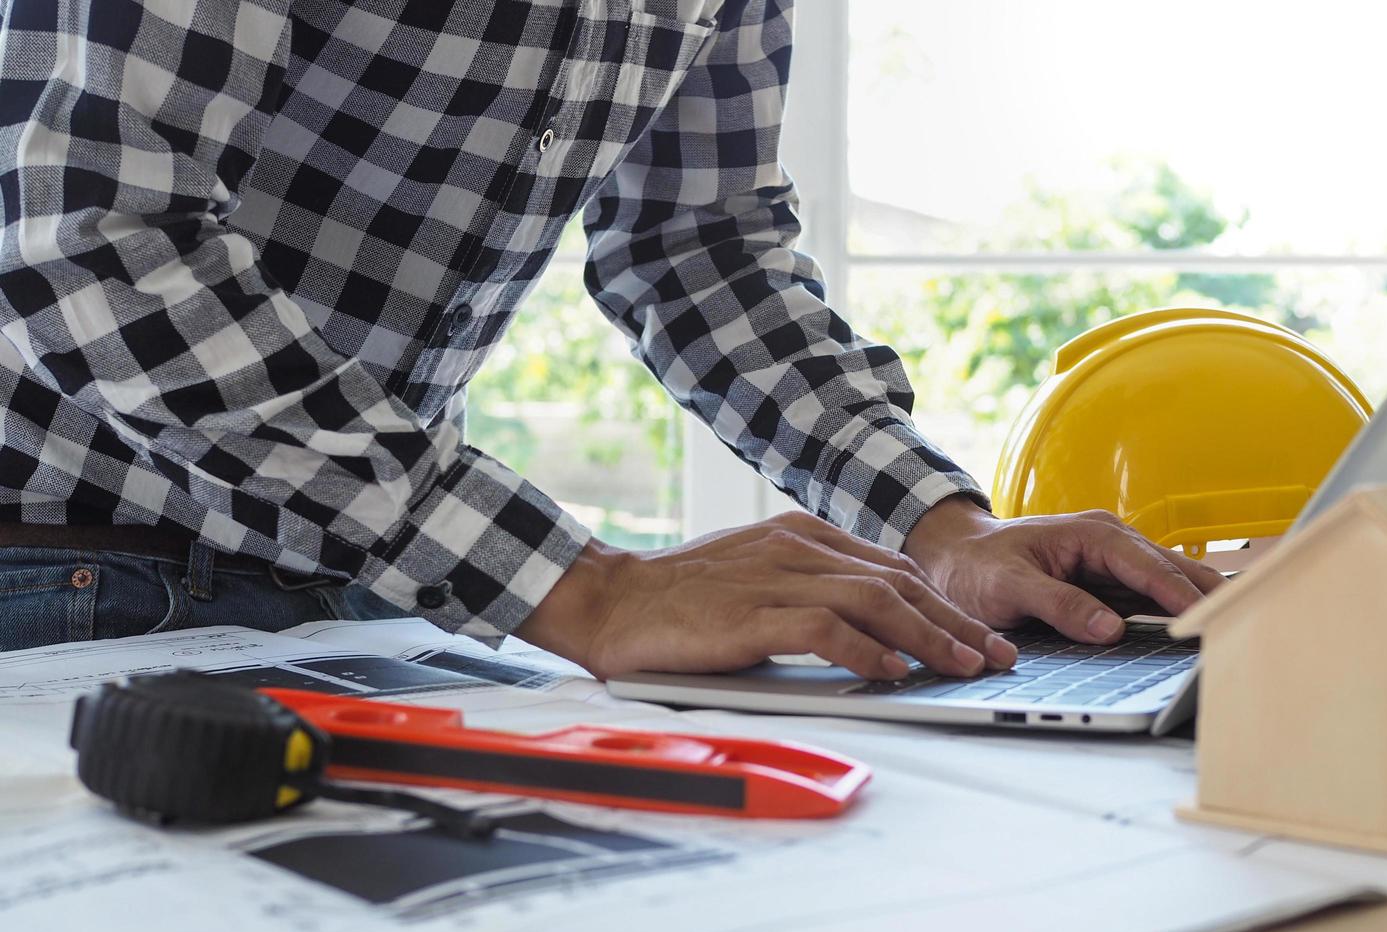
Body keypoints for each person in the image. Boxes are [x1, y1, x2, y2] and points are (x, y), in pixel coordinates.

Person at [0, 0, 1223, 671]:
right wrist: (582, 586)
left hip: (361, 583)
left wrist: (942, 528)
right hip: (58, 568)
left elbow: (699, 243)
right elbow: (94, 225)